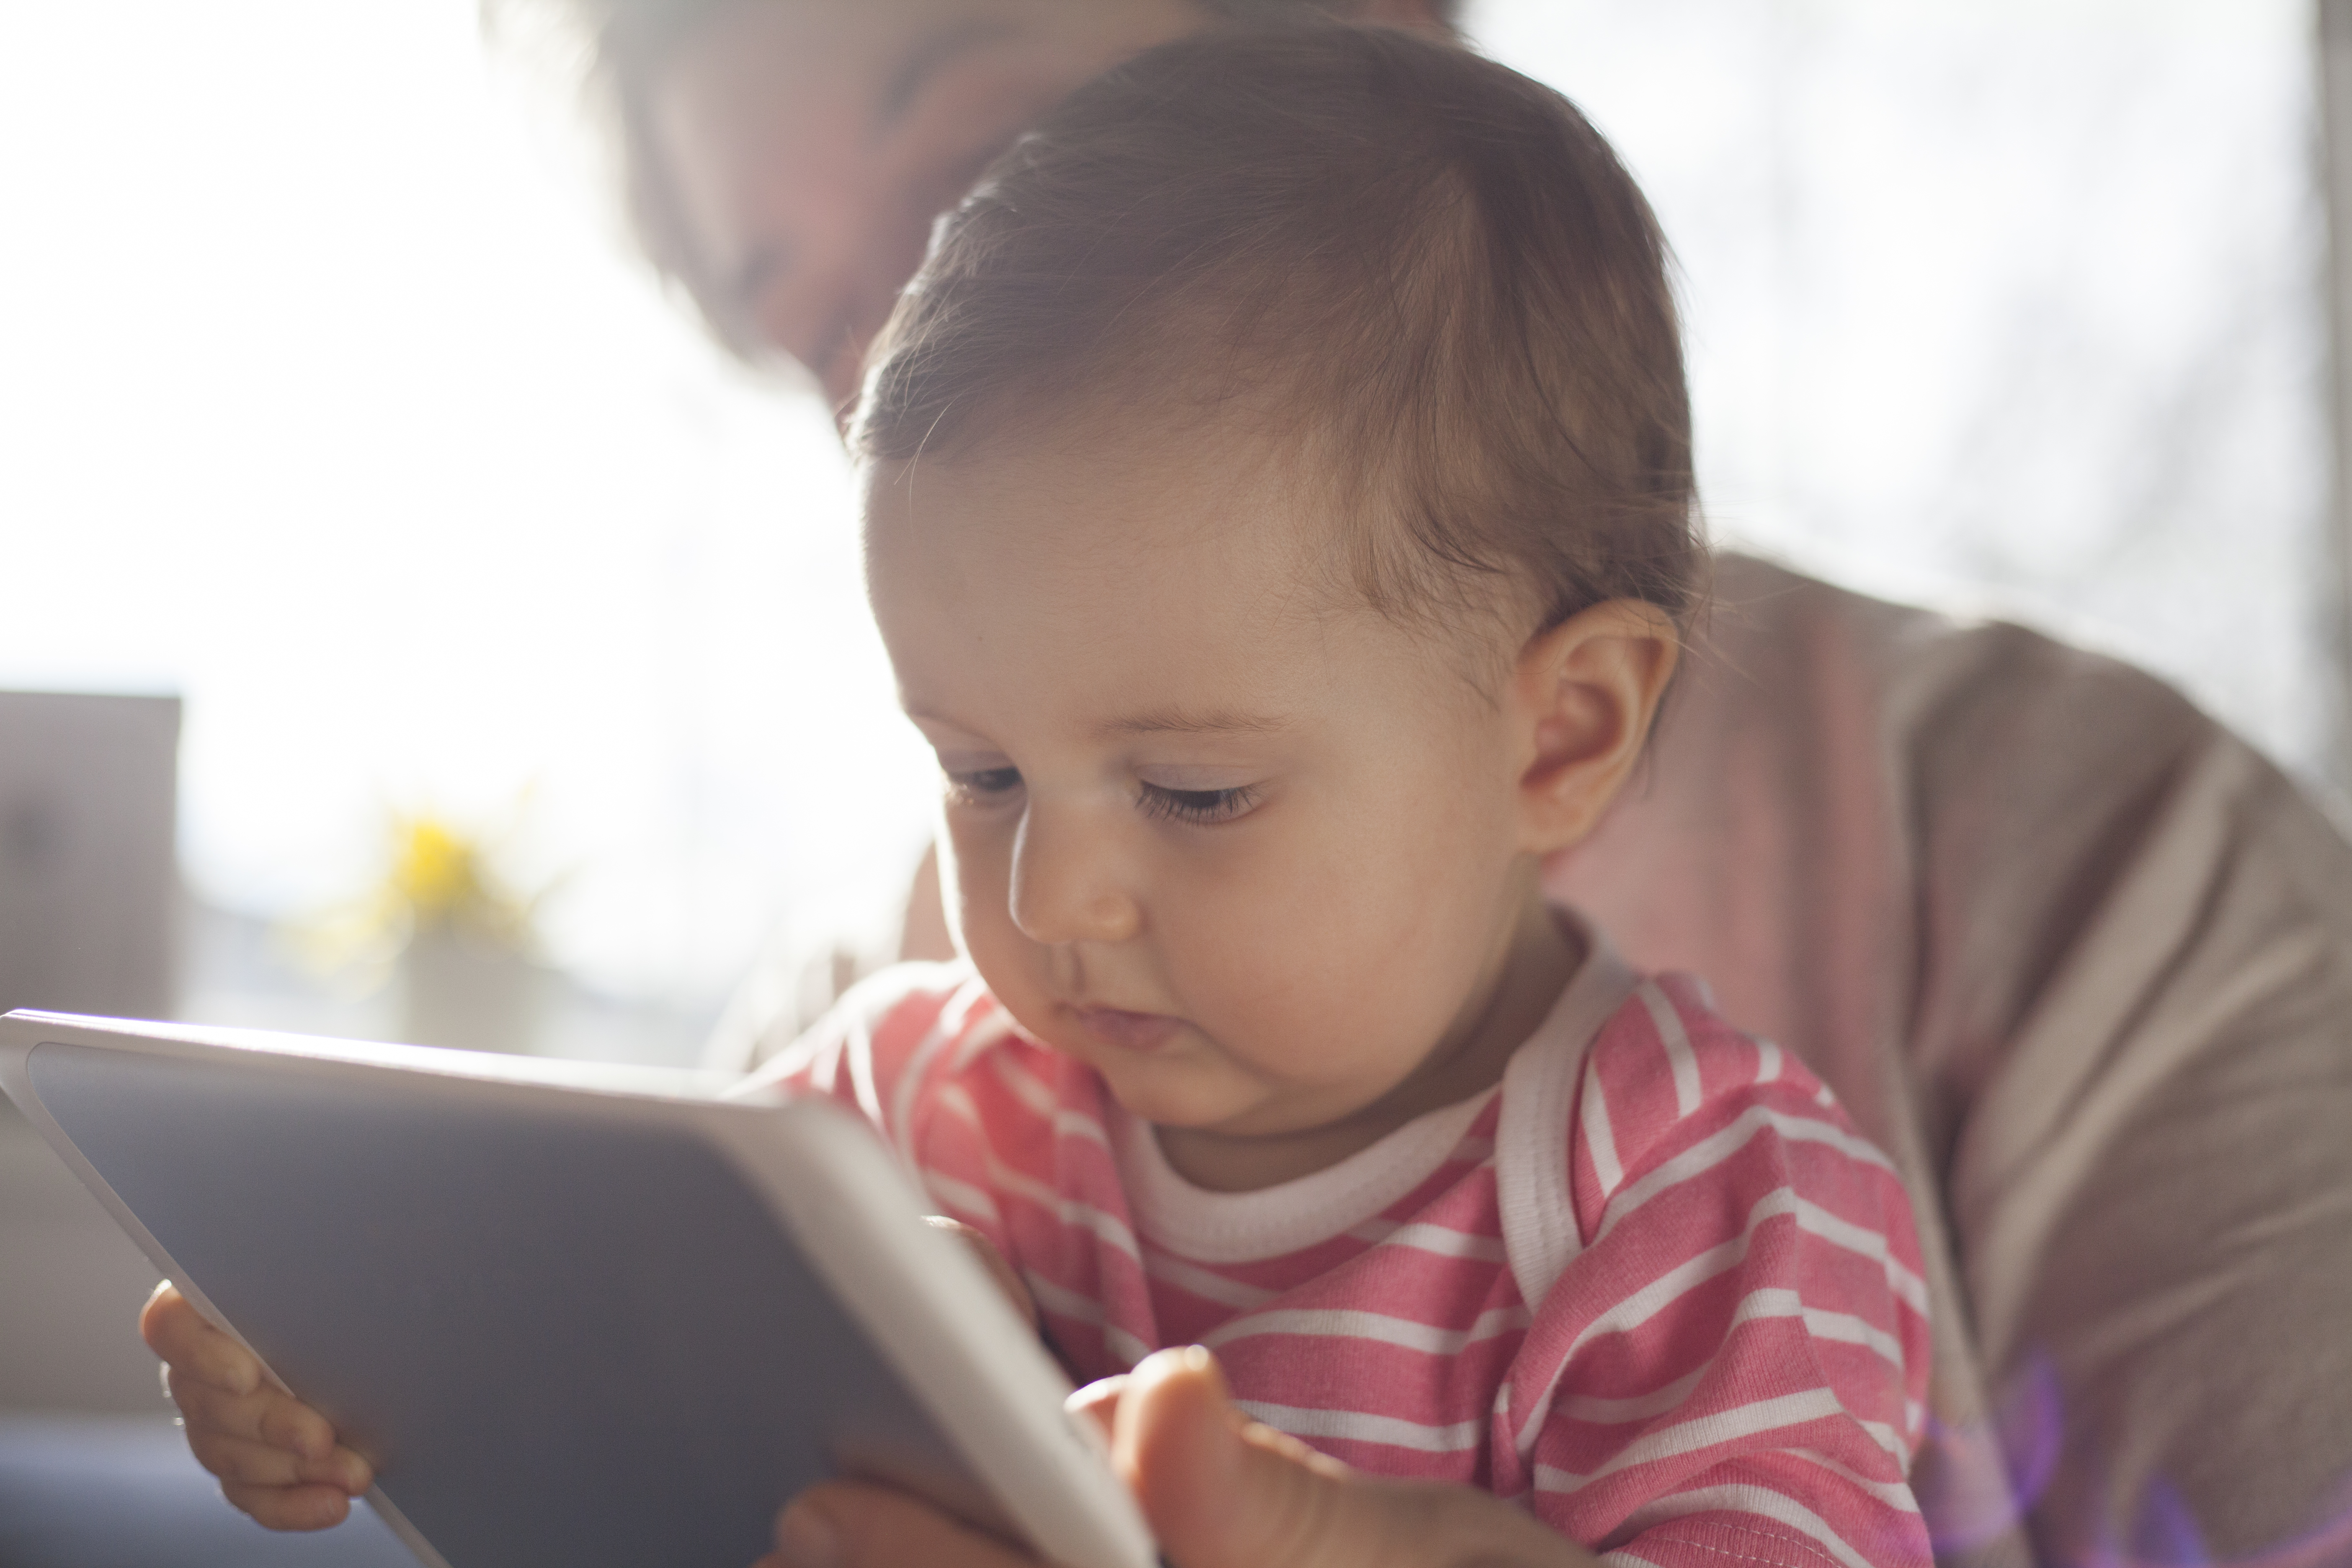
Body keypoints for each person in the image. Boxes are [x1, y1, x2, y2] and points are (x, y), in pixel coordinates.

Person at [144, 3, 2352, 1566]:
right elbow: (636, 1390)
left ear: (1561, 733)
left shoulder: (1712, 1194)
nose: (1060, 898)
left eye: (1195, 795)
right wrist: (366, 1370)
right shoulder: (923, 1077)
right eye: (977, 767)